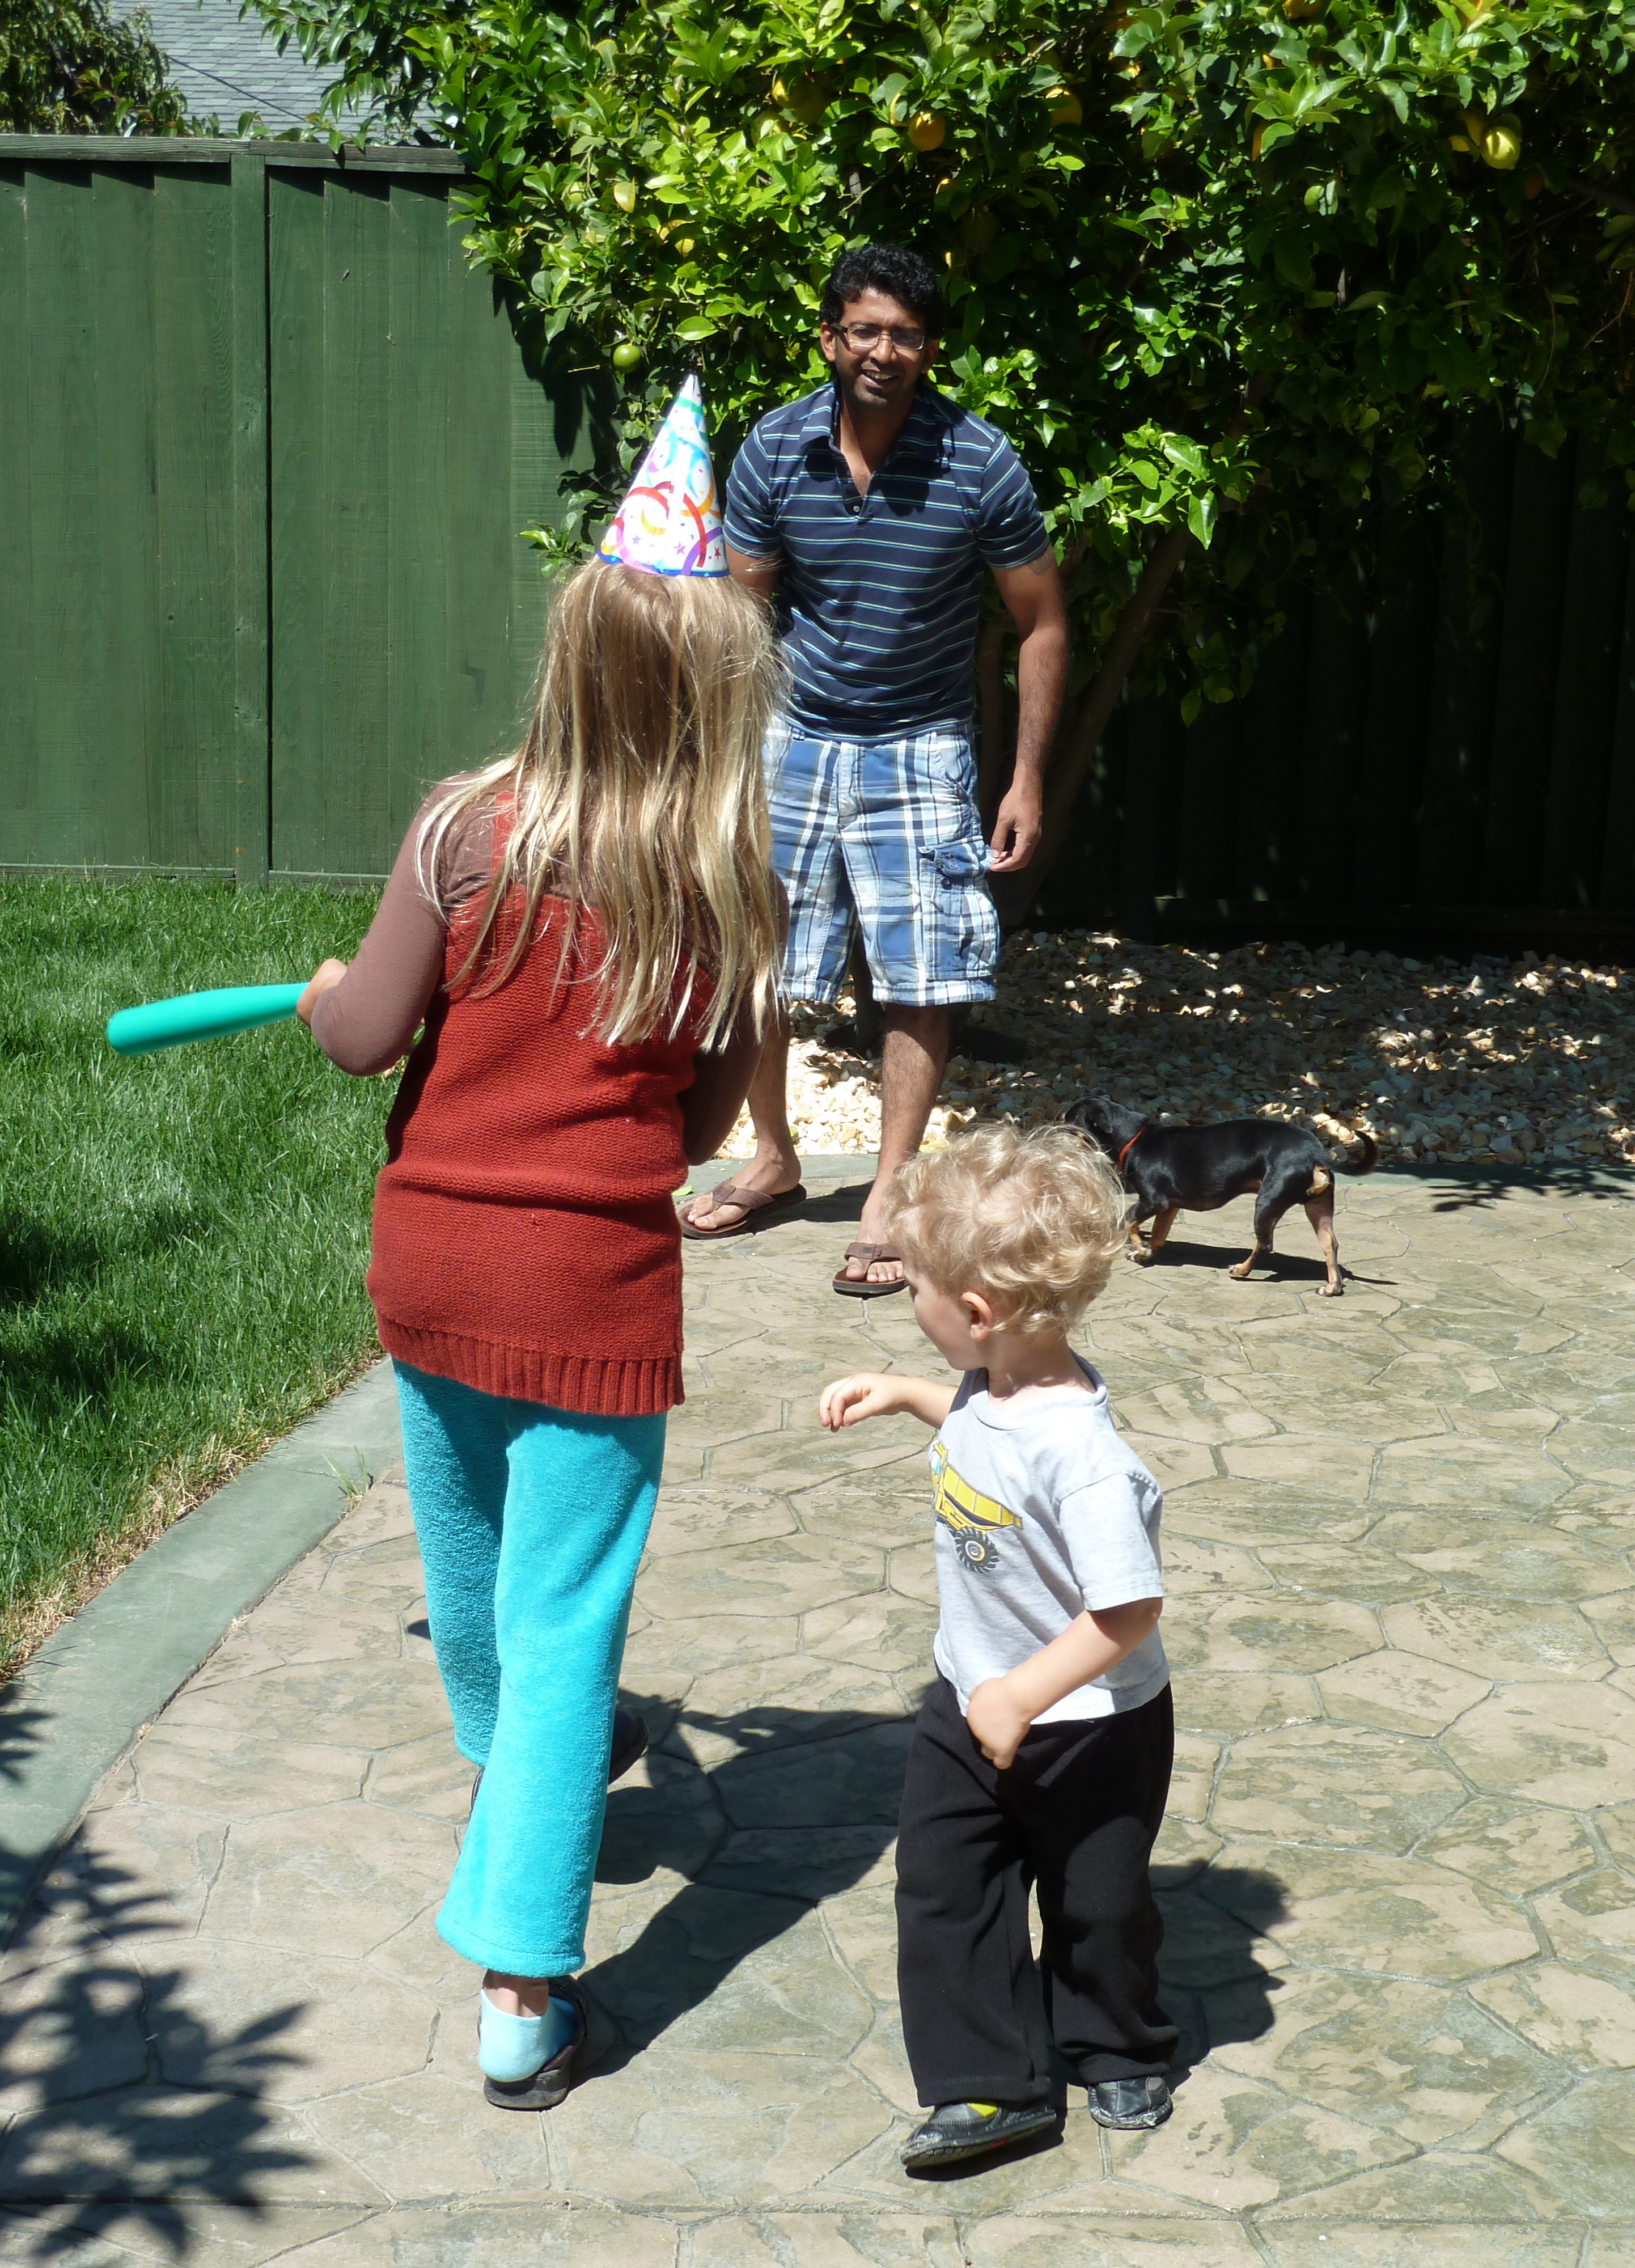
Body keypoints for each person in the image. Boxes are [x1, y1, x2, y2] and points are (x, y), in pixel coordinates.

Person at [296, 451, 782, 2110]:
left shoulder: (462, 827)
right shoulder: (731, 880)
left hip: (434, 1270)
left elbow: (363, 1039)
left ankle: (517, 1790)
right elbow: (699, 1127)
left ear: (569, 653)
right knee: (563, 1621)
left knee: (476, 1576)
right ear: (721, 692)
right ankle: (522, 1986)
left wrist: (325, 995)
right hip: (592, 1296)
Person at [681, 242, 1068, 1294]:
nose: (882, 352)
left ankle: (891, 1192)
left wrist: (1025, 779)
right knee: (758, 963)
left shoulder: (978, 462)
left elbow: (1041, 622)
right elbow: (741, 619)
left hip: (922, 743)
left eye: (905, 335)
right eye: (864, 331)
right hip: (793, 735)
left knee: (920, 974)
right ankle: (772, 1156)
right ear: (830, 339)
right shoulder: (774, 449)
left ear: (929, 349)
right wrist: (719, 763)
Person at [819, 1124, 1177, 2170]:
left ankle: (1116, 2045)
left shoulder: (1088, 1460)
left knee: (1096, 1903)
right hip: (968, 1696)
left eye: (916, 1288)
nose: (909, 1301)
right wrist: (908, 1393)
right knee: (946, 1887)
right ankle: (986, 2083)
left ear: (976, 1314)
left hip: (1091, 1725)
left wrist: (1021, 1695)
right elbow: (985, 1436)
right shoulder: (994, 1386)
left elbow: (1127, 1612)